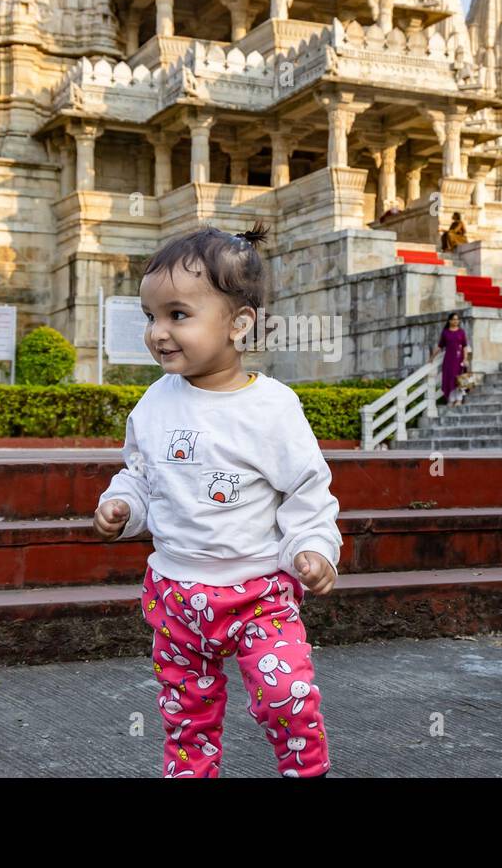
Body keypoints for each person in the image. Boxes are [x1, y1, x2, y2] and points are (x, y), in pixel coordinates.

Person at [93, 219, 340, 779]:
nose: (158, 332)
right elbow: (141, 474)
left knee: (286, 696)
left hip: (259, 594)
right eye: (150, 317)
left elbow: (306, 492)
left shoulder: (272, 409)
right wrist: (122, 506)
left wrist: (314, 548)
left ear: (239, 324)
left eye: (178, 315)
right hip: (176, 593)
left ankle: (307, 771)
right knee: (186, 716)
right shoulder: (154, 403)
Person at [432, 311, 471, 406]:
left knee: (459, 379)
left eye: (457, 319)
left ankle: (459, 400)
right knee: (449, 378)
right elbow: (440, 346)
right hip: (448, 360)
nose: (456, 321)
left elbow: (465, 346)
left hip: (459, 359)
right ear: (449, 321)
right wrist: (432, 357)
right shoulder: (445, 332)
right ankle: (451, 399)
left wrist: (465, 358)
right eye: (454, 319)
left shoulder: (461, 332)